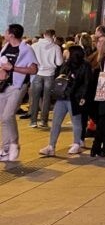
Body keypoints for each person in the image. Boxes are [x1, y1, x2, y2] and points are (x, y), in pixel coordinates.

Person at [40, 44, 92, 157]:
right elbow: (60, 76)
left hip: (75, 97)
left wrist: (83, 97)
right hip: (62, 96)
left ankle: (76, 143)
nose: (65, 53)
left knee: (76, 122)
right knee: (56, 122)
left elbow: (87, 83)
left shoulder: (85, 66)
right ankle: (51, 146)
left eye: (67, 51)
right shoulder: (66, 64)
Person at [0, 24, 39, 162]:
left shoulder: (26, 50)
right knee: (3, 118)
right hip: (3, 86)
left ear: (11, 34)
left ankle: (14, 144)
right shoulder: (6, 47)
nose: (4, 33)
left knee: (8, 115)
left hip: (18, 86)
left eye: (6, 31)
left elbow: (33, 70)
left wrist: (13, 68)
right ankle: (5, 150)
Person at [29, 29, 64, 129]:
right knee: (46, 98)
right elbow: (59, 63)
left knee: (35, 98)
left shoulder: (34, 46)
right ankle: (43, 121)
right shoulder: (56, 47)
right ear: (54, 36)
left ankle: (33, 121)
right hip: (50, 74)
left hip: (37, 73)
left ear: (44, 35)